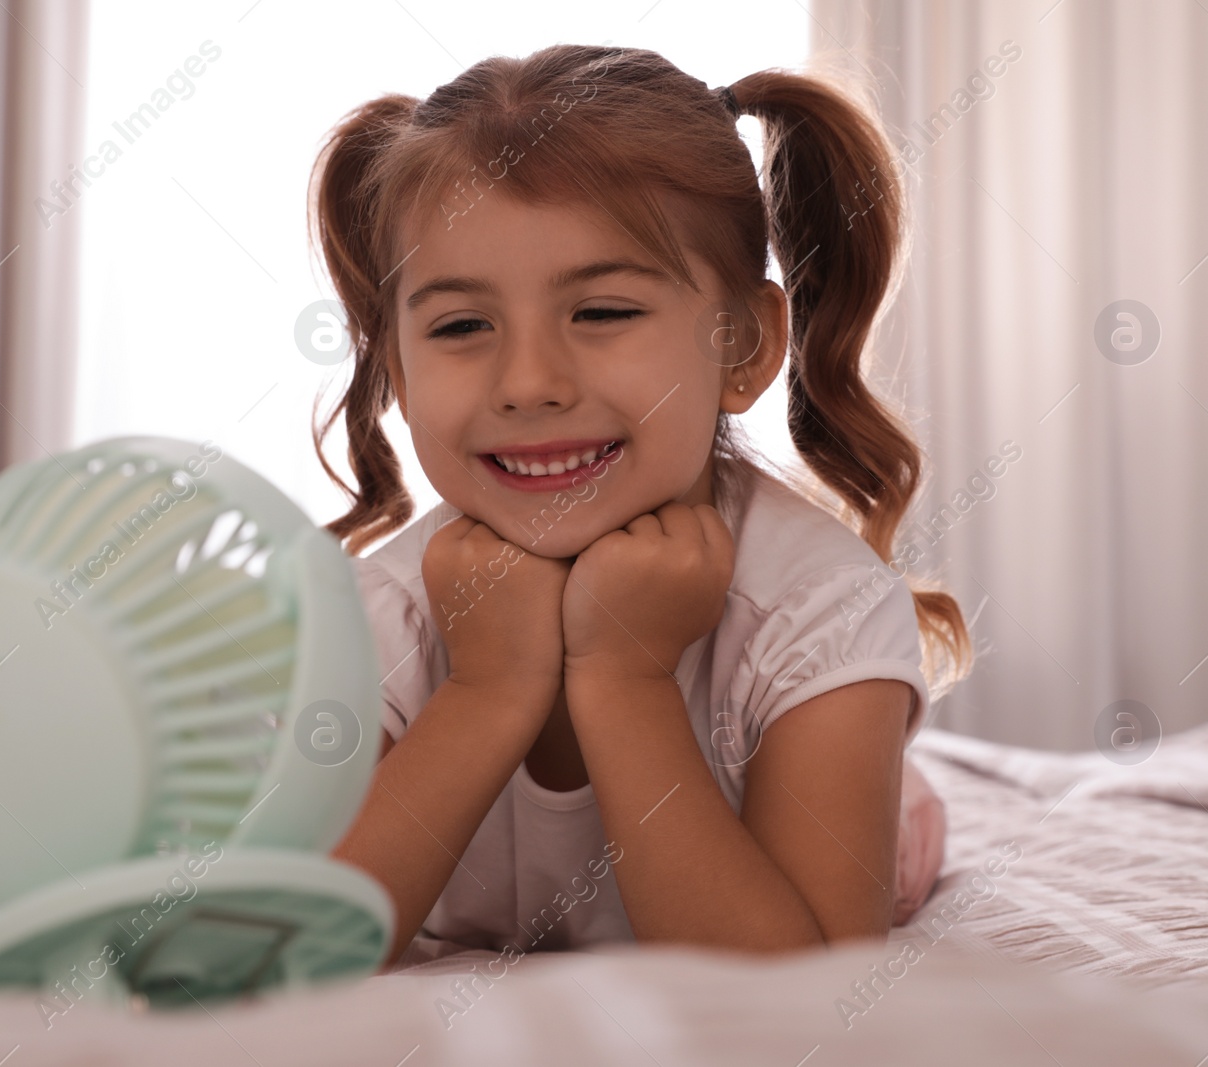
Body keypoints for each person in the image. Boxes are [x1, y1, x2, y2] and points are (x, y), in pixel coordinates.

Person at [307, 43, 973, 970]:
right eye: (462, 326)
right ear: (398, 371)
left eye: (603, 312)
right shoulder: (382, 614)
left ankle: (906, 790)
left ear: (742, 343)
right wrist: (485, 691)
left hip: (826, 786)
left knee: (888, 840)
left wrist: (628, 684)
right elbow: (288, 954)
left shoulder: (822, 608)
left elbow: (803, 995)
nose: (529, 382)